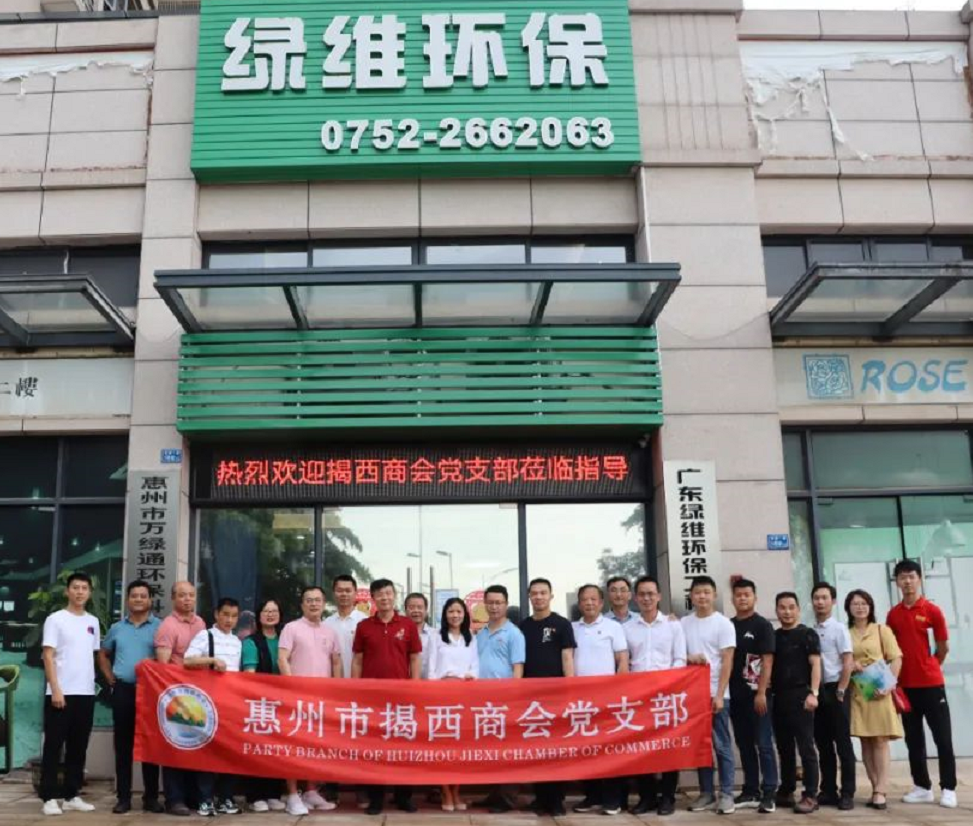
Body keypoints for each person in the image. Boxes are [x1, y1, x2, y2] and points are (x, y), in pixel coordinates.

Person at [886, 559, 957, 809]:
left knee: (942, 738)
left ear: (919, 578)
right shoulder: (893, 614)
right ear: (897, 582)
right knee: (913, 740)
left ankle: (948, 788)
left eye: (911, 576)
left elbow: (943, 646)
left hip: (931, 685)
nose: (907, 581)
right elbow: (891, 650)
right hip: (905, 687)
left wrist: (931, 665)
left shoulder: (932, 611)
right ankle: (922, 786)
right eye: (902, 577)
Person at [352, 579, 422, 815]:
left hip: (402, 698)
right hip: (372, 699)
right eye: (380, 594)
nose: (385, 598)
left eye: (388, 593)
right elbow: (358, 660)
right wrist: (355, 690)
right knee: (375, 750)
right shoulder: (364, 626)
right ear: (373, 598)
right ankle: (376, 799)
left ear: (394, 596)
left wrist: (415, 688)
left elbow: (415, 658)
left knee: (403, 749)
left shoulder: (407, 625)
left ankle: (403, 797)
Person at [98, 579, 163, 815]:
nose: (138, 599)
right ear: (127, 600)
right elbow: (103, 654)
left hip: (150, 692)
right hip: (123, 690)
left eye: (143, 596)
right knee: (123, 745)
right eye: (134, 595)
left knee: (150, 744)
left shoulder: (160, 627)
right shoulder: (117, 628)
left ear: (150, 600)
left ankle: (151, 797)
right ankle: (123, 797)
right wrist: (110, 677)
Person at [39, 571, 100, 816]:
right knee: (54, 746)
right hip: (60, 693)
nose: (79, 592)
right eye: (75, 587)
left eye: (84, 588)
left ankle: (72, 795)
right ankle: (48, 797)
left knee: (78, 746)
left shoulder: (93, 622)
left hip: (85, 693)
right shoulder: (55, 619)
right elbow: (48, 656)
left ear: (89, 593)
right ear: (67, 591)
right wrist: (55, 689)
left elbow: (91, 656)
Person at [624, 576, 686, 817]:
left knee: (668, 748)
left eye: (651, 593)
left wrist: (667, 683)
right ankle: (647, 797)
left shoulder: (673, 626)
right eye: (642, 594)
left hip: (665, 696)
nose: (647, 598)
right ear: (635, 598)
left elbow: (680, 658)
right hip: (638, 697)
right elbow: (626, 662)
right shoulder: (628, 628)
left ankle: (667, 797)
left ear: (659, 596)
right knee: (641, 748)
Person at [278, 586, 342, 815]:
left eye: (317, 600)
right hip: (296, 698)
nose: (314, 604)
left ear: (324, 604)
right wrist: (291, 687)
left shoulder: (330, 632)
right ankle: (292, 795)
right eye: (309, 600)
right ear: (302, 604)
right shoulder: (291, 628)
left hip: (322, 699)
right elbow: (282, 658)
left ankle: (311, 791)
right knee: (294, 747)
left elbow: (336, 662)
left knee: (316, 746)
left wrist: (337, 691)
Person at [519, 578, 575, 817]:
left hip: (556, 695)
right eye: (534, 593)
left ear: (551, 596)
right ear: (529, 597)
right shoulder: (523, 626)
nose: (539, 597)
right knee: (536, 749)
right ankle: (541, 798)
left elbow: (567, 657)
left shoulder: (561, 624)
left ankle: (556, 800)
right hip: (530, 698)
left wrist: (570, 689)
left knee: (556, 749)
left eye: (543, 593)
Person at [571, 584, 629, 816]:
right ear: (579, 604)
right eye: (584, 600)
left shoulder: (613, 627)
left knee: (610, 749)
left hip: (608, 698)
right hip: (581, 701)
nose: (589, 603)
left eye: (593, 599)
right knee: (587, 750)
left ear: (601, 603)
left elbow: (622, 660)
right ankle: (592, 796)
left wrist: (619, 692)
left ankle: (613, 799)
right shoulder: (572, 628)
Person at [680, 575, 736, 815]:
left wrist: (720, 694)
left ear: (714, 595)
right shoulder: (683, 623)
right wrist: (688, 657)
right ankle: (706, 793)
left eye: (706, 592)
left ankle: (727, 794)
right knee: (701, 748)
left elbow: (727, 661)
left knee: (722, 745)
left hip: (716, 693)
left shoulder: (723, 624)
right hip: (693, 695)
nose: (702, 596)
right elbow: (677, 653)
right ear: (691, 596)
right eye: (697, 592)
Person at [183, 597, 243, 817]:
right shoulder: (205, 635)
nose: (229, 620)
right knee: (208, 751)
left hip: (231, 703)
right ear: (217, 614)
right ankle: (205, 799)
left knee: (230, 752)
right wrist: (211, 660)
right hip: (208, 702)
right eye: (225, 614)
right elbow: (187, 660)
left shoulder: (237, 641)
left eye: (234, 616)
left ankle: (225, 797)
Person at [845, 589, 902, 810]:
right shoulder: (846, 633)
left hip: (880, 691)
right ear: (848, 608)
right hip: (859, 691)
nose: (860, 607)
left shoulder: (881, 630)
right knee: (866, 740)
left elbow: (896, 658)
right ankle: (874, 786)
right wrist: (852, 665)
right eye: (855, 604)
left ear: (870, 607)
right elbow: (841, 661)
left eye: (864, 603)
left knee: (880, 740)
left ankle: (881, 789)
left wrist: (888, 685)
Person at [155, 581, 206, 817]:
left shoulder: (201, 623)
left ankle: (192, 796)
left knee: (194, 745)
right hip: (175, 695)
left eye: (191, 595)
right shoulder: (168, 625)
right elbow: (163, 665)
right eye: (182, 595)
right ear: (173, 598)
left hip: (197, 695)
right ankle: (174, 799)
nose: (187, 599)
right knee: (175, 746)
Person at [474, 584, 525, 813]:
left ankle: (507, 799)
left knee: (508, 751)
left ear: (506, 604)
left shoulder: (514, 633)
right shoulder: (481, 633)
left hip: (505, 701)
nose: (494, 607)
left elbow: (518, 668)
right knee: (492, 751)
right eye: (490, 603)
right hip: (483, 702)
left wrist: (514, 698)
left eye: (498, 603)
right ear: (485, 605)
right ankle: (494, 794)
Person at [728, 578, 778, 814]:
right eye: (738, 595)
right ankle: (750, 790)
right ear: (732, 598)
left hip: (758, 695)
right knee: (744, 743)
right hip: (735, 695)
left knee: (764, 744)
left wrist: (761, 692)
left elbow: (767, 661)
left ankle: (769, 792)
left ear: (755, 597)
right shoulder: (729, 625)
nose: (742, 598)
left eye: (747, 594)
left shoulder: (762, 625)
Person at [771, 592, 821, 815]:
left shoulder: (807, 634)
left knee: (806, 747)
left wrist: (814, 693)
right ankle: (786, 789)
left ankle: (810, 794)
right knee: (784, 747)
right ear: (776, 611)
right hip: (779, 697)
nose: (787, 612)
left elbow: (816, 664)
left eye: (791, 607)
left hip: (802, 696)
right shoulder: (774, 636)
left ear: (799, 609)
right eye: (782, 608)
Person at [431, 597, 479, 811]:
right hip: (441, 696)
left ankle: (457, 791)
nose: (455, 615)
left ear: (465, 614)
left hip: (464, 695)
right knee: (442, 746)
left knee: (461, 747)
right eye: (451, 611)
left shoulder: (471, 638)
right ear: (445, 614)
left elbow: (475, 666)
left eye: (459, 611)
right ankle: (445, 791)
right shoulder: (436, 637)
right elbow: (431, 669)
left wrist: (469, 677)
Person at [811, 582, 856, 810]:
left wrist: (841, 690)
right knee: (823, 743)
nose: (820, 602)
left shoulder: (839, 629)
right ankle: (828, 790)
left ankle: (847, 792)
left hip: (836, 689)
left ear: (833, 601)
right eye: (816, 598)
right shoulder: (811, 630)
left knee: (843, 744)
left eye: (824, 598)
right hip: (817, 691)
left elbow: (847, 661)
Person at [241, 599, 286, 813]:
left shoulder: (285, 639)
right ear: (258, 616)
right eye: (266, 611)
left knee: (277, 750)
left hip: (283, 703)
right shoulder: (251, 642)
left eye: (274, 611)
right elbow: (249, 673)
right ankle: (255, 796)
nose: (270, 614)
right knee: (258, 748)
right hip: (259, 702)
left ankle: (273, 793)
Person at [405, 592, 436, 680]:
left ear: (426, 610)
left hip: (429, 683)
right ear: (406, 610)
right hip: (404, 683)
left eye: (420, 607)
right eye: (412, 607)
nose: (416, 610)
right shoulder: (400, 634)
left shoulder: (435, 635)